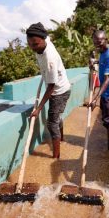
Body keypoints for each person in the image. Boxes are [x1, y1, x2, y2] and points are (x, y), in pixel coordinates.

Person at [26, 22, 71, 159]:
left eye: (35, 44)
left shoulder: (50, 58)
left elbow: (51, 86)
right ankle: (61, 138)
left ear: (43, 39)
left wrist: (39, 108)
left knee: (52, 123)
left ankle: (56, 157)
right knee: (56, 117)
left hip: (59, 91)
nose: (32, 47)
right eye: (30, 44)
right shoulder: (44, 42)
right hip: (55, 87)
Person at [88, 30, 109, 152]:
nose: (98, 46)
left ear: (106, 39)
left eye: (100, 43)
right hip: (106, 92)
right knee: (107, 119)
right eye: (95, 44)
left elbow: (107, 80)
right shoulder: (103, 51)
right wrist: (94, 62)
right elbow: (103, 62)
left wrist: (95, 98)